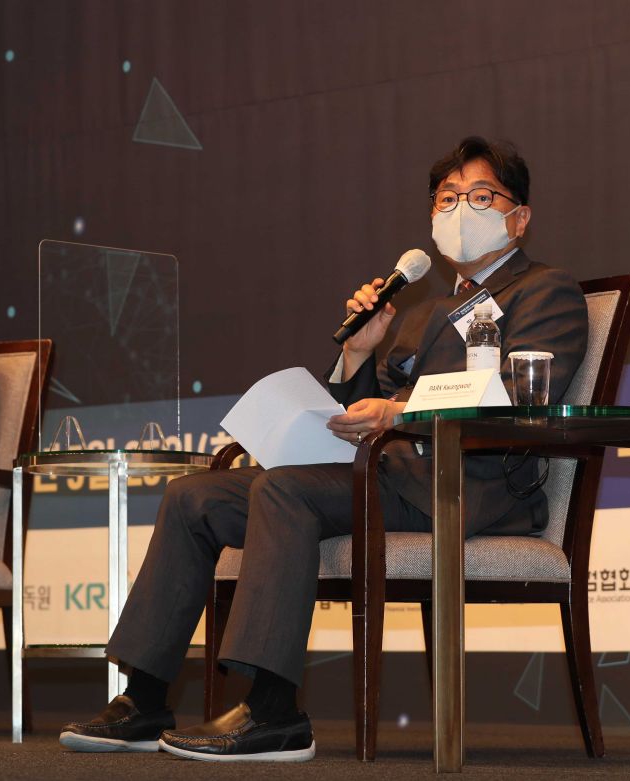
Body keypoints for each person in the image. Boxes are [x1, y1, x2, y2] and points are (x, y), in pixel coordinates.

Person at [59, 137, 589, 761]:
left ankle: (273, 711)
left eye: (479, 196)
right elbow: (361, 412)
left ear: (518, 217)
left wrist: (399, 412)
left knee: (284, 490)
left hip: (469, 488)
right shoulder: (424, 312)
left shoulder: (547, 290)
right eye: (446, 199)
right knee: (192, 497)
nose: (459, 211)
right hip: (391, 477)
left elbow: (522, 395)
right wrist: (358, 354)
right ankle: (144, 699)